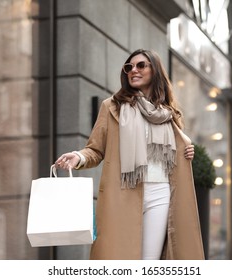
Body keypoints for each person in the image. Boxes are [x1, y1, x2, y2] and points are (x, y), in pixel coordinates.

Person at [55, 49, 204, 260]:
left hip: (161, 193)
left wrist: (187, 150)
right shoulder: (112, 107)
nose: (133, 70)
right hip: (124, 192)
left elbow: (174, 150)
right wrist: (79, 157)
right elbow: (96, 149)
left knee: (150, 261)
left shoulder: (168, 113)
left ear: (155, 70)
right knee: (119, 258)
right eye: (129, 67)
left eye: (141, 65)